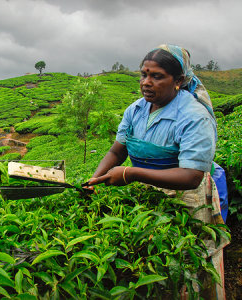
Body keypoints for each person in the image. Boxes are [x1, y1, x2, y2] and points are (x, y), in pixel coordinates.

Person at [88, 44, 228, 299]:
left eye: (157, 76)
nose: (146, 83)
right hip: (146, 197)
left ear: (179, 81)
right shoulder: (136, 110)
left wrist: (131, 174)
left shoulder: (193, 116)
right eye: (144, 74)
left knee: (187, 269)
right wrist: (96, 179)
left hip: (187, 202)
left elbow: (191, 176)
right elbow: (117, 151)